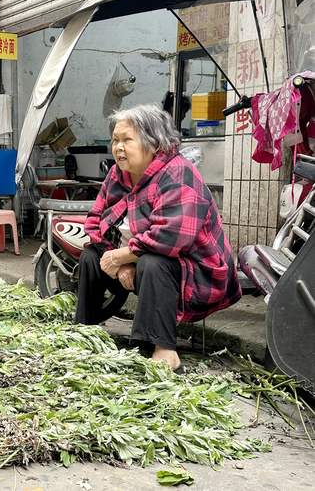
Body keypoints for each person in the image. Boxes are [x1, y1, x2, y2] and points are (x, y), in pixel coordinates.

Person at [75, 104, 241, 371]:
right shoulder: (118, 175)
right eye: (115, 140)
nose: (118, 147)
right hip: (141, 260)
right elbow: (95, 222)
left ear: (154, 142)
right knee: (91, 257)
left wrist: (123, 256)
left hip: (198, 273)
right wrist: (122, 265)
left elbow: (171, 238)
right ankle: (86, 330)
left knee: (153, 261)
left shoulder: (178, 173)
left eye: (127, 140)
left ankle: (164, 350)